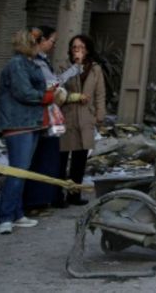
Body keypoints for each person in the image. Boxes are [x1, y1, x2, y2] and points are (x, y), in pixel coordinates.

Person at [0, 29, 65, 234]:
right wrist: (48, 96)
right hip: (18, 124)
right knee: (17, 172)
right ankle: (5, 216)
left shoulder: (28, 63)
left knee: (22, 171)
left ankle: (16, 213)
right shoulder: (17, 65)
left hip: (31, 122)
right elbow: (24, 92)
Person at [24, 26, 74, 211]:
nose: (53, 46)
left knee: (48, 157)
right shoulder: (33, 63)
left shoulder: (41, 61)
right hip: (41, 116)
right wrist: (66, 78)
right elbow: (49, 86)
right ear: (42, 40)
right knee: (43, 159)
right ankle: (35, 201)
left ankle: (42, 198)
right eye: (52, 41)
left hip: (48, 117)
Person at [58, 34, 106, 206]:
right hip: (67, 116)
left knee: (80, 159)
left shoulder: (95, 69)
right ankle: (57, 195)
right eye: (75, 47)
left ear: (88, 50)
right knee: (62, 157)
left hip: (86, 117)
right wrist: (73, 96)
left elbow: (100, 93)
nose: (78, 50)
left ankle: (74, 194)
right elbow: (57, 90)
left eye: (82, 47)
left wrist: (100, 114)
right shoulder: (64, 66)